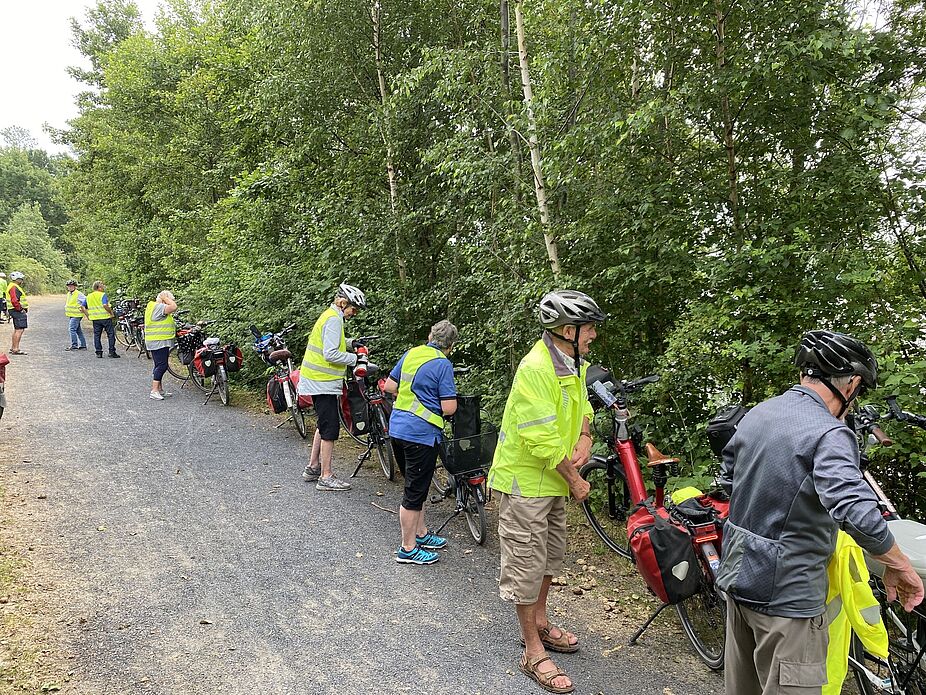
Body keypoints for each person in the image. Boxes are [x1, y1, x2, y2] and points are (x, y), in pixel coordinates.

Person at [716, 330, 925, 695]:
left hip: (739, 580)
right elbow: (853, 507)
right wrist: (900, 564)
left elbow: (729, 480)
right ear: (853, 384)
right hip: (788, 600)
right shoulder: (828, 433)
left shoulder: (760, 413)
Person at [488, 290, 606, 695]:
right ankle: (532, 650)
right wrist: (575, 478)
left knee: (550, 558)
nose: (593, 334)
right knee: (525, 565)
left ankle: (539, 620)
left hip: (554, 480)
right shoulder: (535, 367)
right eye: (589, 328)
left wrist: (587, 435)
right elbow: (539, 437)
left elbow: (583, 407)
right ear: (568, 330)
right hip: (526, 484)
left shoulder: (572, 362)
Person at [383, 319, 459, 565]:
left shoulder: (412, 353)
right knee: (414, 492)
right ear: (451, 345)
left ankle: (421, 533)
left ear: (430, 335)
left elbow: (391, 386)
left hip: (397, 429)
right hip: (421, 435)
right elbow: (449, 407)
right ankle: (408, 548)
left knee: (417, 486)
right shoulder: (442, 364)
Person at [299, 283, 366, 491]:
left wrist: (351, 342)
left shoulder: (331, 316)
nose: (354, 314)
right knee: (330, 428)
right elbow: (330, 354)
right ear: (343, 303)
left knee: (323, 423)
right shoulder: (334, 319)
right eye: (353, 309)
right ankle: (326, 477)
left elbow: (334, 343)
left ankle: (313, 467)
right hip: (322, 382)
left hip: (318, 380)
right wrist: (356, 358)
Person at [144, 291, 178, 400]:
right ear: (164, 300)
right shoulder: (158, 307)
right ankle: (154, 391)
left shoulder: (153, 307)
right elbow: (173, 307)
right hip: (158, 341)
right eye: (169, 300)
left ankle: (159, 389)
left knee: (158, 365)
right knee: (162, 366)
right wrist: (165, 298)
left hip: (158, 341)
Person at [86, 281, 121, 359]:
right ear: (99, 287)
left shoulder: (89, 296)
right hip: (105, 318)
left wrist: (88, 316)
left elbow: (82, 306)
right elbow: (105, 305)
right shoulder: (102, 295)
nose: (104, 287)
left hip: (95, 319)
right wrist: (111, 312)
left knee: (97, 335)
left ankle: (99, 352)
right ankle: (112, 352)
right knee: (111, 334)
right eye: (102, 286)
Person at [5, 272, 29, 355]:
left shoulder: (12, 286)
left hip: (13, 310)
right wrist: (20, 309)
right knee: (19, 330)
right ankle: (16, 349)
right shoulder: (14, 287)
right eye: (21, 279)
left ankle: (13, 347)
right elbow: (14, 300)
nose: (22, 281)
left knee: (16, 329)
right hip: (16, 310)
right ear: (17, 279)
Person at [64, 280, 89, 351]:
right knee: (78, 330)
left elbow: (86, 300)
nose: (70, 287)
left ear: (75, 286)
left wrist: (84, 307)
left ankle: (74, 345)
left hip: (77, 315)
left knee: (72, 329)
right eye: (68, 286)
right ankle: (83, 345)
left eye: (71, 286)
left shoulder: (79, 294)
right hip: (71, 315)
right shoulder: (69, 294)